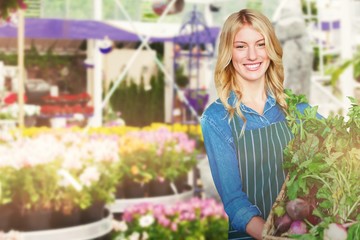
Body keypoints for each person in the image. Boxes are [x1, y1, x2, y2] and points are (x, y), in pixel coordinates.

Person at [200, 9, 316, 239]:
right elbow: (234, 202)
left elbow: (341, 148)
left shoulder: (295, 108)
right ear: (228, 53)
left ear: (271, 49)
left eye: (260, 44)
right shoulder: (216, 118)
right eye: (241, 46)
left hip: (302, 232)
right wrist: (270, 235)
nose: (252, 55)